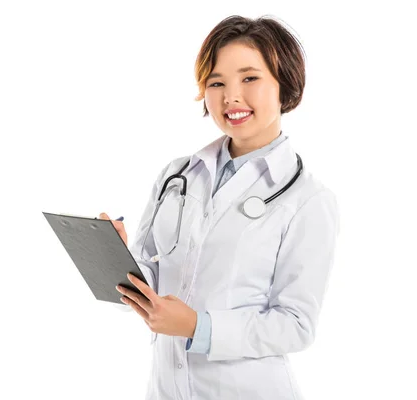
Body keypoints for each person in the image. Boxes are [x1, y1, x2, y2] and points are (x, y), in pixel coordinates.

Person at [99, 15, 340, 400]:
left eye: (249, 78)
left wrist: (198, 327)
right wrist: (114, 256)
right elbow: (152, 277)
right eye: (216, 82)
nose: (231, 97)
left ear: (285, 85)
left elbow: (296, 325)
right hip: (166, 388)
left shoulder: (309, 200)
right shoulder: (176, 175)